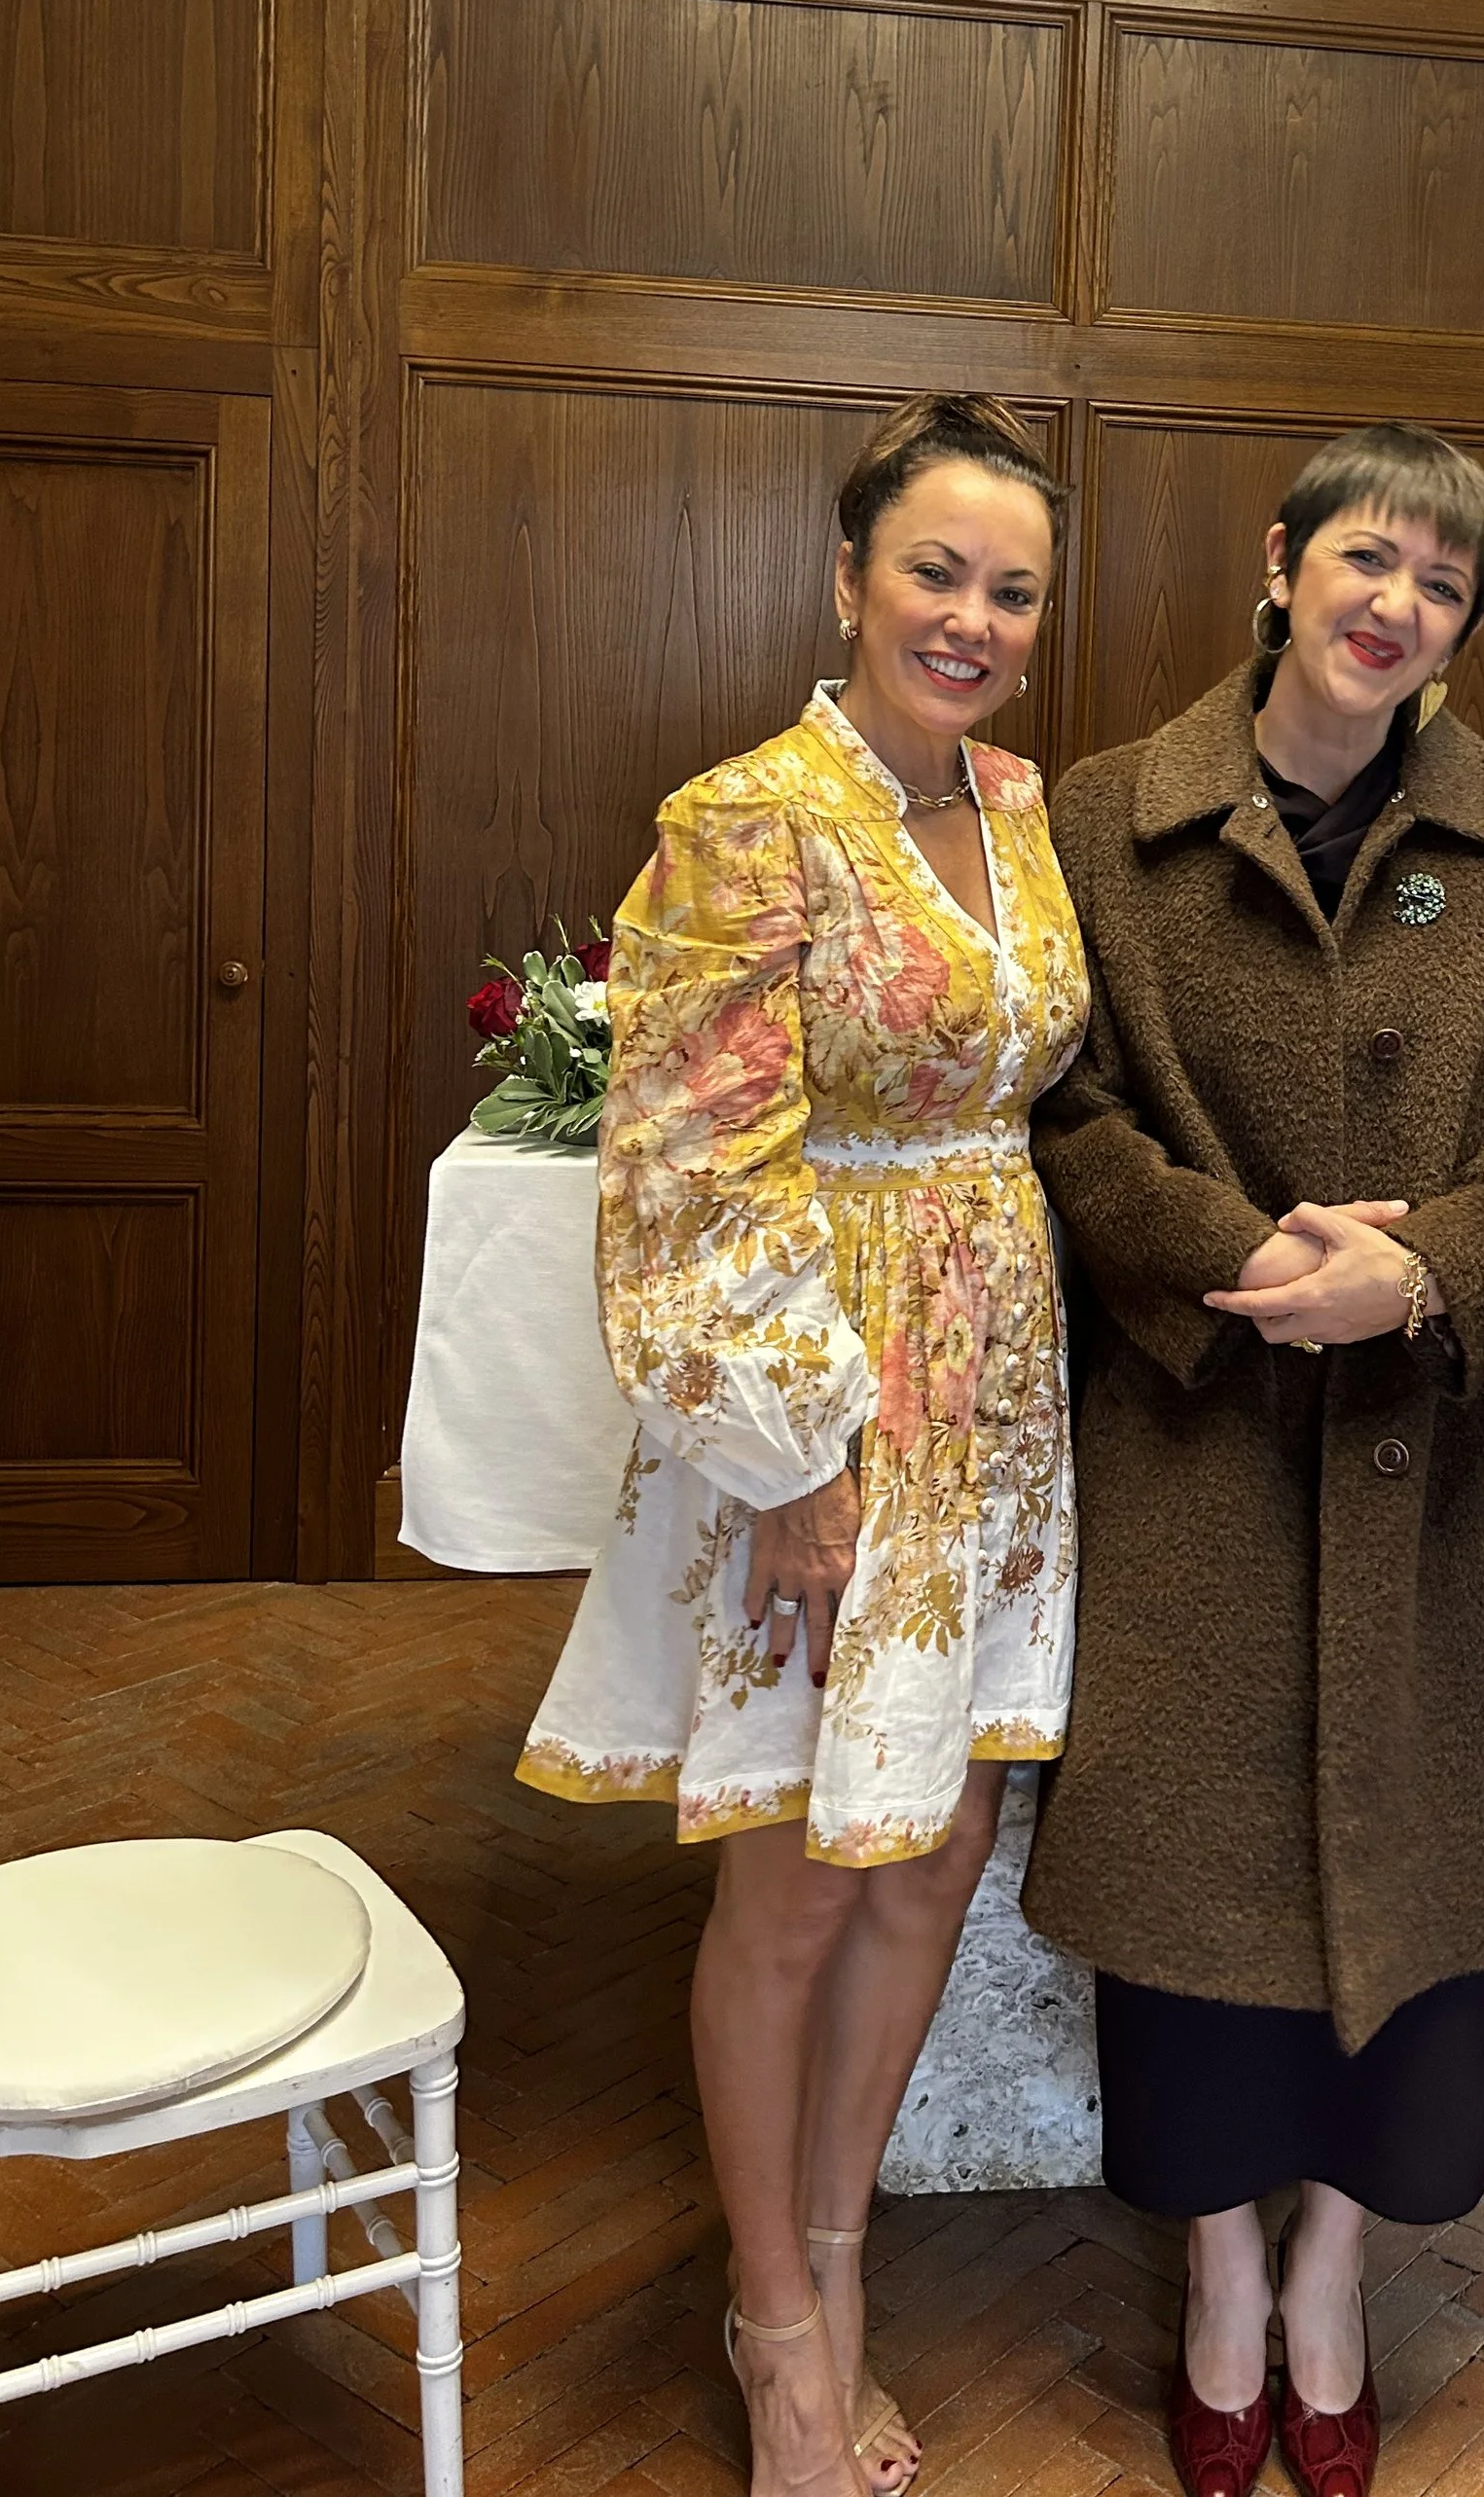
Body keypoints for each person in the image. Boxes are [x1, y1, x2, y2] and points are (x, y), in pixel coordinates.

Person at [1024, 424, 1484, 2497]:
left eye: (1442, 586)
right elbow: (1073, 1108)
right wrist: (1230, 1256)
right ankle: (1211, 2271)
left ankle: (1331, 2278)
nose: (1397, 607)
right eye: (1366, 560)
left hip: (1424, 1451)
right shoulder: (1105, 812)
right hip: (1193, 1434)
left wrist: (1425, 1267)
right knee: (1190, 1875)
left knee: (1422, 1862)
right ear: (1277, 565)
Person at [518, 393, 1088, 2497]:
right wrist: (793, 1461)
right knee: (784, 1879)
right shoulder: (742, 818)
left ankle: (840, 2256)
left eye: (1008, 586)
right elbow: (679, 1169)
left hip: (997, 1387)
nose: (968, 615)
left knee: (930, 1856)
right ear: (846, 578)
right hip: (825, 1408)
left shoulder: (1022, 803)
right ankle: (773, 2322)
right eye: (931, 570)